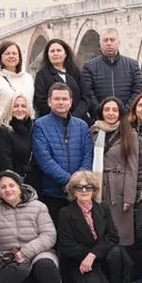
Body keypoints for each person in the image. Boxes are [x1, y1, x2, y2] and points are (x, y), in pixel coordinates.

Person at [56, 171, 132, 283]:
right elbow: (67, 245)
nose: (84, 190)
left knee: (116, 252)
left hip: (101, 257)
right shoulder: (65, 213)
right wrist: (88, 257)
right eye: (79, 187)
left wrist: (93, 255)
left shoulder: (103, 208)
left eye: (88, 187)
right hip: (79, 261)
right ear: (73, 191)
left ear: (94, 190)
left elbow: (113, 236)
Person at [32, 84, 93, 218]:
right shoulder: (40, 125)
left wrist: (78, 182)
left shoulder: (82, 126)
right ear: (49, 101)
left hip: (80, 192)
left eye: (64, 99)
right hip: (52, 193)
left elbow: (88, 155)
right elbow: (44, 159)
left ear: (71, 102)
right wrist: (68, 181)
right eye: (57, 99)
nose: (61, 102)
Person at [92, 97, 138, 249]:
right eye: (107, 109)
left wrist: (129, 197)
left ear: (120, 113)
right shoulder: (94, 131)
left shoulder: (129, 134)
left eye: (114, 110)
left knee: (121, 237)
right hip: (98, 187)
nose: (110, 113)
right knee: (101, 235)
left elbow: (132, 167)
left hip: (118, 190)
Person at [81, 28, 142, 117]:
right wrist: (102, 112)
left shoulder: (132, 65)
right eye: (105, 40)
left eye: (112, 40)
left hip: (127, 119)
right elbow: (88, 93)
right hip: (101, 119)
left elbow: (138, 90)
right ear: (100, 43)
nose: (109, 43)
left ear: (119, 42)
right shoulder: (89, 66)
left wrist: (125, 111)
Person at [32, 39, 89, 121]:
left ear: (65, 54)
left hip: (79, 119)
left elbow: (86, 96)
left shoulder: (75, 71)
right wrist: (61, 116)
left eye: (59, 50)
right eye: (52, 51)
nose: (56, 53)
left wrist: (76, 116)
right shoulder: (42, 75)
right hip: (53, 120)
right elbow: (40, 101)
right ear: (47, 55)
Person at [0, 41, 35, 131]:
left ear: (19, 56)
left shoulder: (28, 78)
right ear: (0, 57)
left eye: (14, 53)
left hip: (25, 128)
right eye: (7, 53)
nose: (11, 56)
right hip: (3, 128)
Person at [0, 95, 37, 187]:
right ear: (10, 108)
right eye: (16, 106)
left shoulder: (32, 127)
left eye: (23, 106)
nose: (20, 109)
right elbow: (5, 162)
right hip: (15, 183)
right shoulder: (5, 131)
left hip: (33, 181)